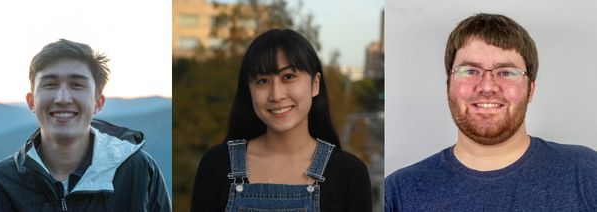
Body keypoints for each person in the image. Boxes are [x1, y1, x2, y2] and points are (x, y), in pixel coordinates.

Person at [385, 13, 597, 211]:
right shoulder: (397, 194)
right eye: (470, 71)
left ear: (530, 89)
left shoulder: (588, 174)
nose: (487, 86)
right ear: (448, 86)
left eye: (505, 72)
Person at [0, 39, 171, 211]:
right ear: (31, 101)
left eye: (77, 85)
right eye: (50, 85)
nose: (63, 98)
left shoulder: (140, 172)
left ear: (98, 102)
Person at [191, 29, 372, 211]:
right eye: (262, 81)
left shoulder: (350, 173)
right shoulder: (216, 165)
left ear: (315, 84)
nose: (276, 95)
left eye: (288, 77)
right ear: (249, 90)